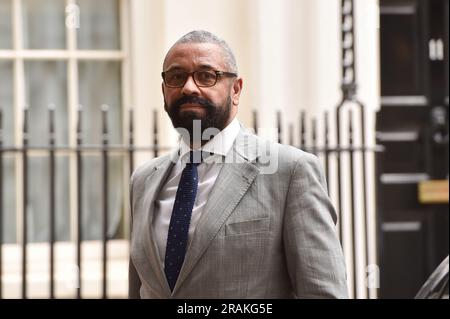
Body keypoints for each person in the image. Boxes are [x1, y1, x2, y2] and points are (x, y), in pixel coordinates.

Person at [128, 30, 348, 298]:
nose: (188, 87)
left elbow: (323, 292)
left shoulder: (290, 171)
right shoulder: (143, 181)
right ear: (164, 91)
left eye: (206, 76)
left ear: (235, 90)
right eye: (176, 77)